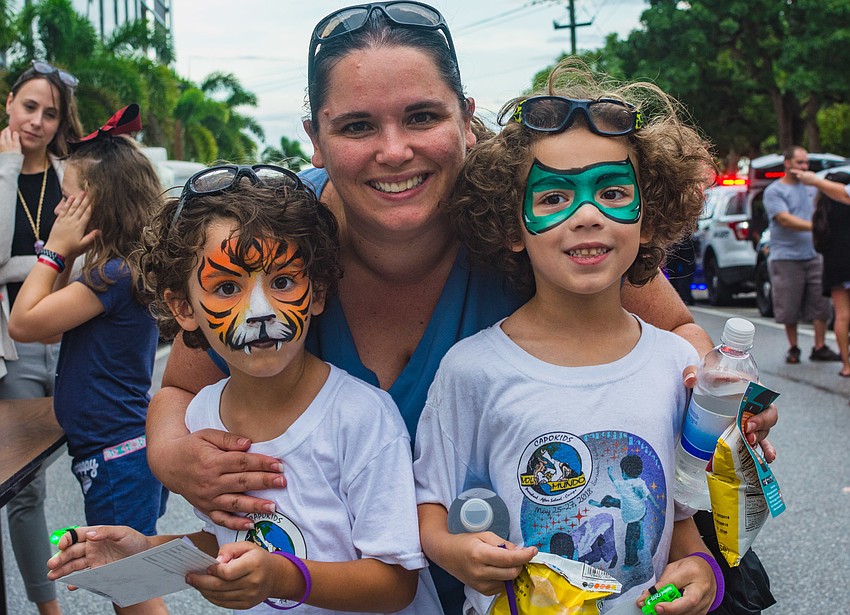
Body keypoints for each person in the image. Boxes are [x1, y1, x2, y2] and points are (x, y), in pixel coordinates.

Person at [143, 3, 777, 613]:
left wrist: (719, 404)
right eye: (357, 126)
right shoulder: (275, 240)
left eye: (422, 117)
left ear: (466, 120)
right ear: (316, 139)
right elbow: (179, 388)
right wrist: (175, 459)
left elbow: (672, 331)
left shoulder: (536, 216)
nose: (394, 151)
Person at [47, 165, 442, 614]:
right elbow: (233, 541)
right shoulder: (201, 419)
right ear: (184, 309)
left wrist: (281, 576)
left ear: (316, 292)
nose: (259, 311)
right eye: (228, 287)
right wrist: (145, 551)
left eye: (282, 281)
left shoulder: (362, 418)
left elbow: (396, 583)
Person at [413, 58, 719, 614]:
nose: (586, 215)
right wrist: (453, 550)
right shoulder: (474, 369)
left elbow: (680, 519)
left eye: (611, 191)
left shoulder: (677, 364)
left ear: (646, 219)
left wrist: (703, 573)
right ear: (511, 226)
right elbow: (427, 504)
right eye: (553, 197)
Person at [8, 105, 169, 615]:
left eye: (68, 197)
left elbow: (23, 323)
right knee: (129, 586)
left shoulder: (112, 278)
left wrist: (53, 252)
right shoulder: (114, 272)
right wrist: (71, 256)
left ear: (98, 204)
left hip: (117, 458)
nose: (58, 208)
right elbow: (51, 326)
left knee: (130, 589)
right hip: (120, 453)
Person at [0, 59, 83, 615]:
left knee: (99, 461)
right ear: (9, 102)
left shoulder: (71, 172)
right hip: (16, 344)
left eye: (50, 114)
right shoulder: (2, 170)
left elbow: (88, 256)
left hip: (75, 333)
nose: (37, 121)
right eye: (29, 106)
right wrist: (8, 169)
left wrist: (25, 266)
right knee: (23, 485)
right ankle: (47, 607)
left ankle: (124, 587)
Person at [762, 146, 840, 365]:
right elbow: (784, 219)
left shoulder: (812, 188)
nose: (804, 167)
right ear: (787, 164)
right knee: (789, 304)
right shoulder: (775, 191)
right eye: (800, 163)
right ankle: (793, 347)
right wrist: (815, 228)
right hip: (786, 255)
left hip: (814, 253)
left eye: (806, 163)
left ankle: (820, 346)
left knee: (821, 303)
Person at [808, 172, 850, 377]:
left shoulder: (823, 209)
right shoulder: (846, 200)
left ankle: (846, 365)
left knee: (842, 316)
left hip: (834, 266)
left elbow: (819, 241)